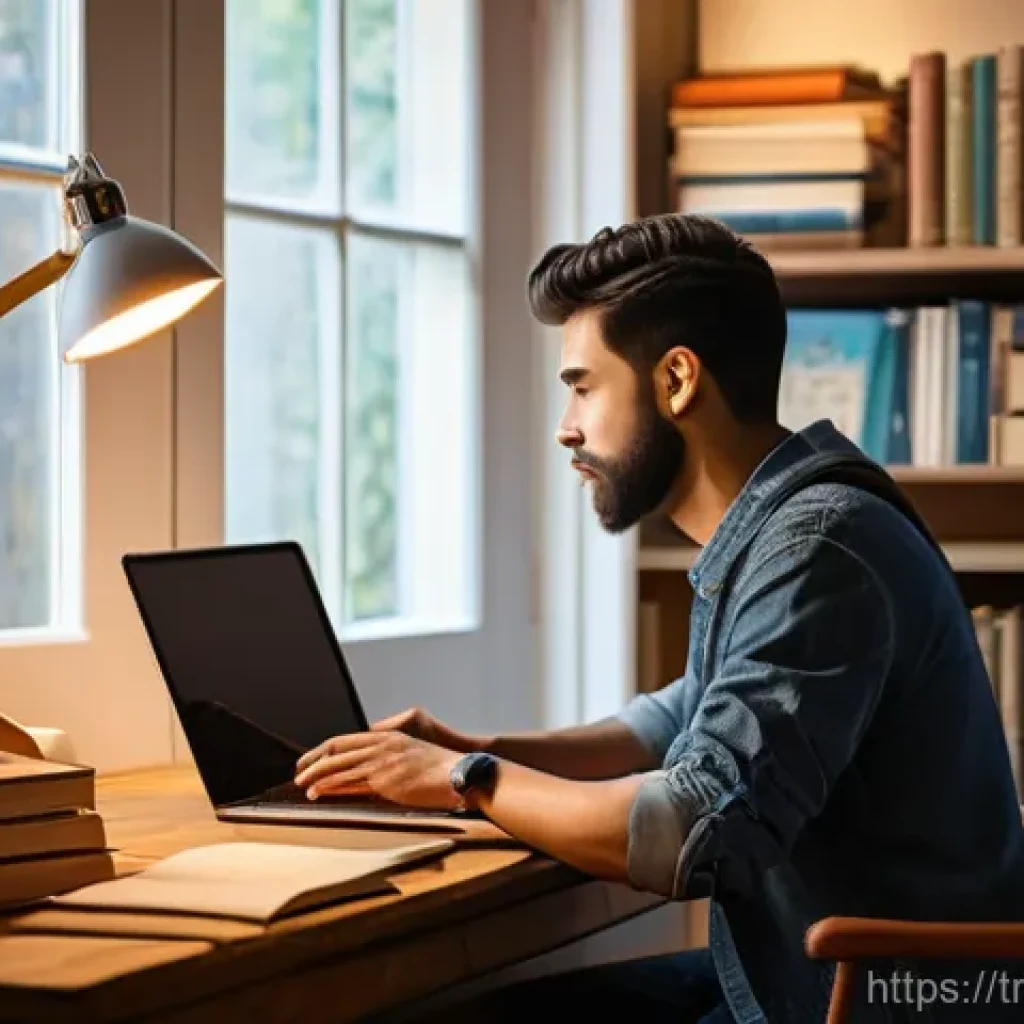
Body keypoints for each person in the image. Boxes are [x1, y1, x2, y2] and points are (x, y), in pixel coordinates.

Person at [294, 214, 1024, 1023]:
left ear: (676, 380)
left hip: (876, 1001)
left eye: (582, 386)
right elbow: (673, 722)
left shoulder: (818, 545)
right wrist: (477, 749)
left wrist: (466, 784)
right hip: (807, 980)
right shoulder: (784, 524)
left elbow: (693, 825)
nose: (565, 427)